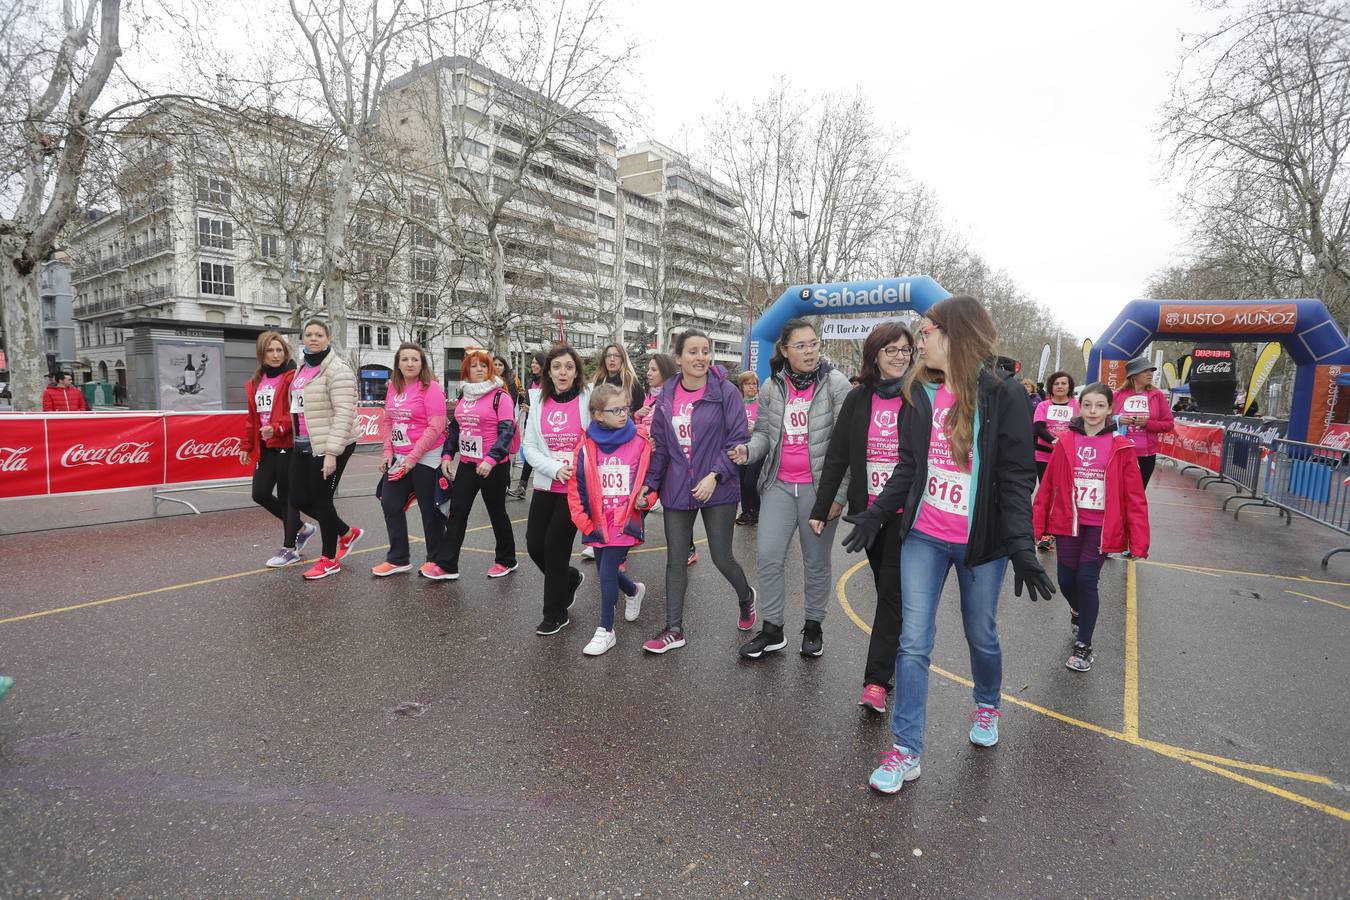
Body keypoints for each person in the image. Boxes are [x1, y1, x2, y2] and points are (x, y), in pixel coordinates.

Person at [838, 295, 1054, 796]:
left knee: (981, 633)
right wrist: (874, 515)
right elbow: (909, 469)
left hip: (981, 544)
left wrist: (1021, 545)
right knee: (913, 642)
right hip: (924, 537)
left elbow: (1017, 477)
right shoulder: (920, 394)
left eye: (926, 331)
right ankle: (906, 749)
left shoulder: (1005, 396)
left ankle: (987, 703)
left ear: (953, 335)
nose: (919, 341)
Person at [732, 319, 852, 660]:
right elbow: (763, 436)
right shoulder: (772, 387)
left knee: (816, 562)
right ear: (784, 350)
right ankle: (772, 630)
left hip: (819, 491)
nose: (810, 351)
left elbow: (847, 448)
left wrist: (838, 497)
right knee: (769, 557)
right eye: (801, 346)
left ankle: (813, 627)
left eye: (814, 343)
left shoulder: (836, 385)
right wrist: (748, 451)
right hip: (779, 486)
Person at [810, 321, 914, 710]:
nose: (900, 356)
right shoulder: (858, 399)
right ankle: (900, 655)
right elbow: (837, 457)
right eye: (892, 350)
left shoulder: (920, 396)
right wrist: (822, 508)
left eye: (905, 350)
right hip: (868, 515)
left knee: (891, 592)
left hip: (907, 513)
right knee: (892, 593)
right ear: (875, 355)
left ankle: (876, 681)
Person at [639, 328, 756, 654]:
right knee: (676, 559)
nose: (701, 357)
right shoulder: (666, 396)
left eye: (706, 351)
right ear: (678, 358)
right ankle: (674, 629)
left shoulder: (725, 392)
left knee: (721, 557)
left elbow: (737, 440)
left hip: (718, 487)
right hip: (677, 488)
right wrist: (650, 485)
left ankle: (746, 597)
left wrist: (715, 476)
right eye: (693, 351)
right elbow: (661, 447)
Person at [1034, 382, 1150, 672]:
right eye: (1087, 405)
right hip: (1068, 523)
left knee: (1087, 580)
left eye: (1100, 405)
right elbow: (1047, 486)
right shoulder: (1066, 443)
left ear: (1110, 409)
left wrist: (1138, 542)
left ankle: (1083, 646)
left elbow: (1134, 496)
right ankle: (1078, 610)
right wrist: (1035, 528)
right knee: (1065, 580)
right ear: (1079, 406)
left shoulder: (1122, 447)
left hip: (1101, 525)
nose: (1093, 411)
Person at [567, 384, 653, 655]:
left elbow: (650, 481)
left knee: (605, 572)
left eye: (625, 409)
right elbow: (576, 486)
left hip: (624, 521)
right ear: (597, 414)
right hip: (597, 521)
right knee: (609, 569)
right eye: (615, 410)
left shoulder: (640, 441)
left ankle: (606, 630)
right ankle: (633, 591)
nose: (622, 414)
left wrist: (646, 500)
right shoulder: (585, 446)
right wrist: (583, 521)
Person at [522, 345, 591, 635]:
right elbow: (529, 446)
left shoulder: (589, 399)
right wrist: (552, 468)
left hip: (575, 487)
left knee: (556, 546)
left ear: (576, 372)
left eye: (569, 367)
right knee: (534, 544)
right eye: (557, 367)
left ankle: (555, 612)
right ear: (548, 372)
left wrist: (575, 469)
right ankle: (569, 578)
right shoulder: (538, 400)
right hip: (547, 482)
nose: (563, 372)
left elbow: (599, 440)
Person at [288, 319, 362, 580]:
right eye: (309, 334)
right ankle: (346, 532)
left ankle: (329, 559)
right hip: (304, 443)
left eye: (319, 335)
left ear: (328, 339)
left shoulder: (337, 370)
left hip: (332, 444)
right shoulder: (302, 369)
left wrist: (331, 452)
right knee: (296, 497)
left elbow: (344, 413)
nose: (313, 338)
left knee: (322, 500)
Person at [438, 349, 518, 579]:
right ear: (467, 370)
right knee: (457, 512)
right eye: (474, 366)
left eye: (484, 365)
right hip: (467, 463)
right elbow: (455, 429)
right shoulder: (464, 395)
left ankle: (506, 560)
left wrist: (491, 459)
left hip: (493, 465)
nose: (479, 369)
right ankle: (447, 565)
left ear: (490, 369)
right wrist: (446, 456)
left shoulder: (499, 397)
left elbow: (506, 431)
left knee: (496, 513)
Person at [239, 330, 316, 568]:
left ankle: (289, 548)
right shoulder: (255, 382)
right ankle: (302, 528)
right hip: (265, 446)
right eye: (270, 351)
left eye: (279, 350)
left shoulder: (293, 377)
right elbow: (253, 417)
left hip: (287, 444)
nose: (275, 355)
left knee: (287, 498)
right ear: (261, 354)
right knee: (260, 493)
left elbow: (295, 413)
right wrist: (247, 445)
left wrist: (278, 428)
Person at [373, 342, 449, 579]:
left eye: (414, 359)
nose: (409, 363)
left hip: (426, 456)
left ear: (422, 363)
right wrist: (388, 452)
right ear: (397, 363)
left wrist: (413, 458)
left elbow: (436, 426)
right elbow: (388, 422)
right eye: (404, 359)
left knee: (429, 510)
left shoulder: (431, 388)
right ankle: (398, 558)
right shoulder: (393, 388)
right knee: (390, 502)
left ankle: (436, 560)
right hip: (400, 456)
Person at [1033, 370, 1079, 552]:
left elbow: (1079, 428)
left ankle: (1062, 529)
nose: (1060, 386)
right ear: (1051, 387)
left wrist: (1065, 444)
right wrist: (1054, 441)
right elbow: (1038, 428)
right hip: (1044, 456)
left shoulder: (1077, 406)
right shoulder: (1043, 405)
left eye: (1064, 383)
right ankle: (1045, 534)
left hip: (1068, 457)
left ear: (1069, 387)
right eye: (1056, 383)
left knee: (1065, 494)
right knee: (1047, 494)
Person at [1112, 356, 1175, 489]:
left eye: (1151, 371)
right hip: (1120, 452)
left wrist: (1148, 423)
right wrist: (1118, 420)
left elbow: (1169, 424)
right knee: (1118, 490)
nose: (1150, 374)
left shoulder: (1157, 395)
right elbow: (1102, 421)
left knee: (1138, 492)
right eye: (1145, 371)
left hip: (1146, 455)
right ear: (1133, 375)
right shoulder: (1117, 395)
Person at [511, 352, 548, 499]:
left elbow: (548, 406)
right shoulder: (531, 382)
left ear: (543, 365)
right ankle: (522, 487)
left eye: (536, 363)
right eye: (532, 362)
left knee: (539, 455)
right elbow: (527, 401)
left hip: (544, 425)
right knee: (529, 453)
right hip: (530, 423)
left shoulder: (548, 383)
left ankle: (542, 487)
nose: (533, 365)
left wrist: (531, 409)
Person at [735, 371, 763, 526]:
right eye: (748, 384)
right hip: (740, 448)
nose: (752, 387)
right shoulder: (737, 404)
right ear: (741, 386)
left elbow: (769, 424)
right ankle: (746, 512)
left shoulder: (761, 403)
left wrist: (756, 427)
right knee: (742, 482)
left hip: (756, 448)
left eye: (754, 384)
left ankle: (757, 510)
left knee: (750, 482)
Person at [634, 353, 676, 431]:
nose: (648, 373)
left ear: (665, 372)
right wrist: (637, 415)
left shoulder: (673, 398)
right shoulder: (649, 396)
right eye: (648, 369)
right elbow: (641, 428)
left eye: (653, 370)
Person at [592, 343, 639, 409]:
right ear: (604, 359)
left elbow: (639, 410)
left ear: (622, 359)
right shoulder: (598, 380)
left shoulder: (631, 382)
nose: (612, 359)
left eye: (616, 355)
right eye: (608, 355)